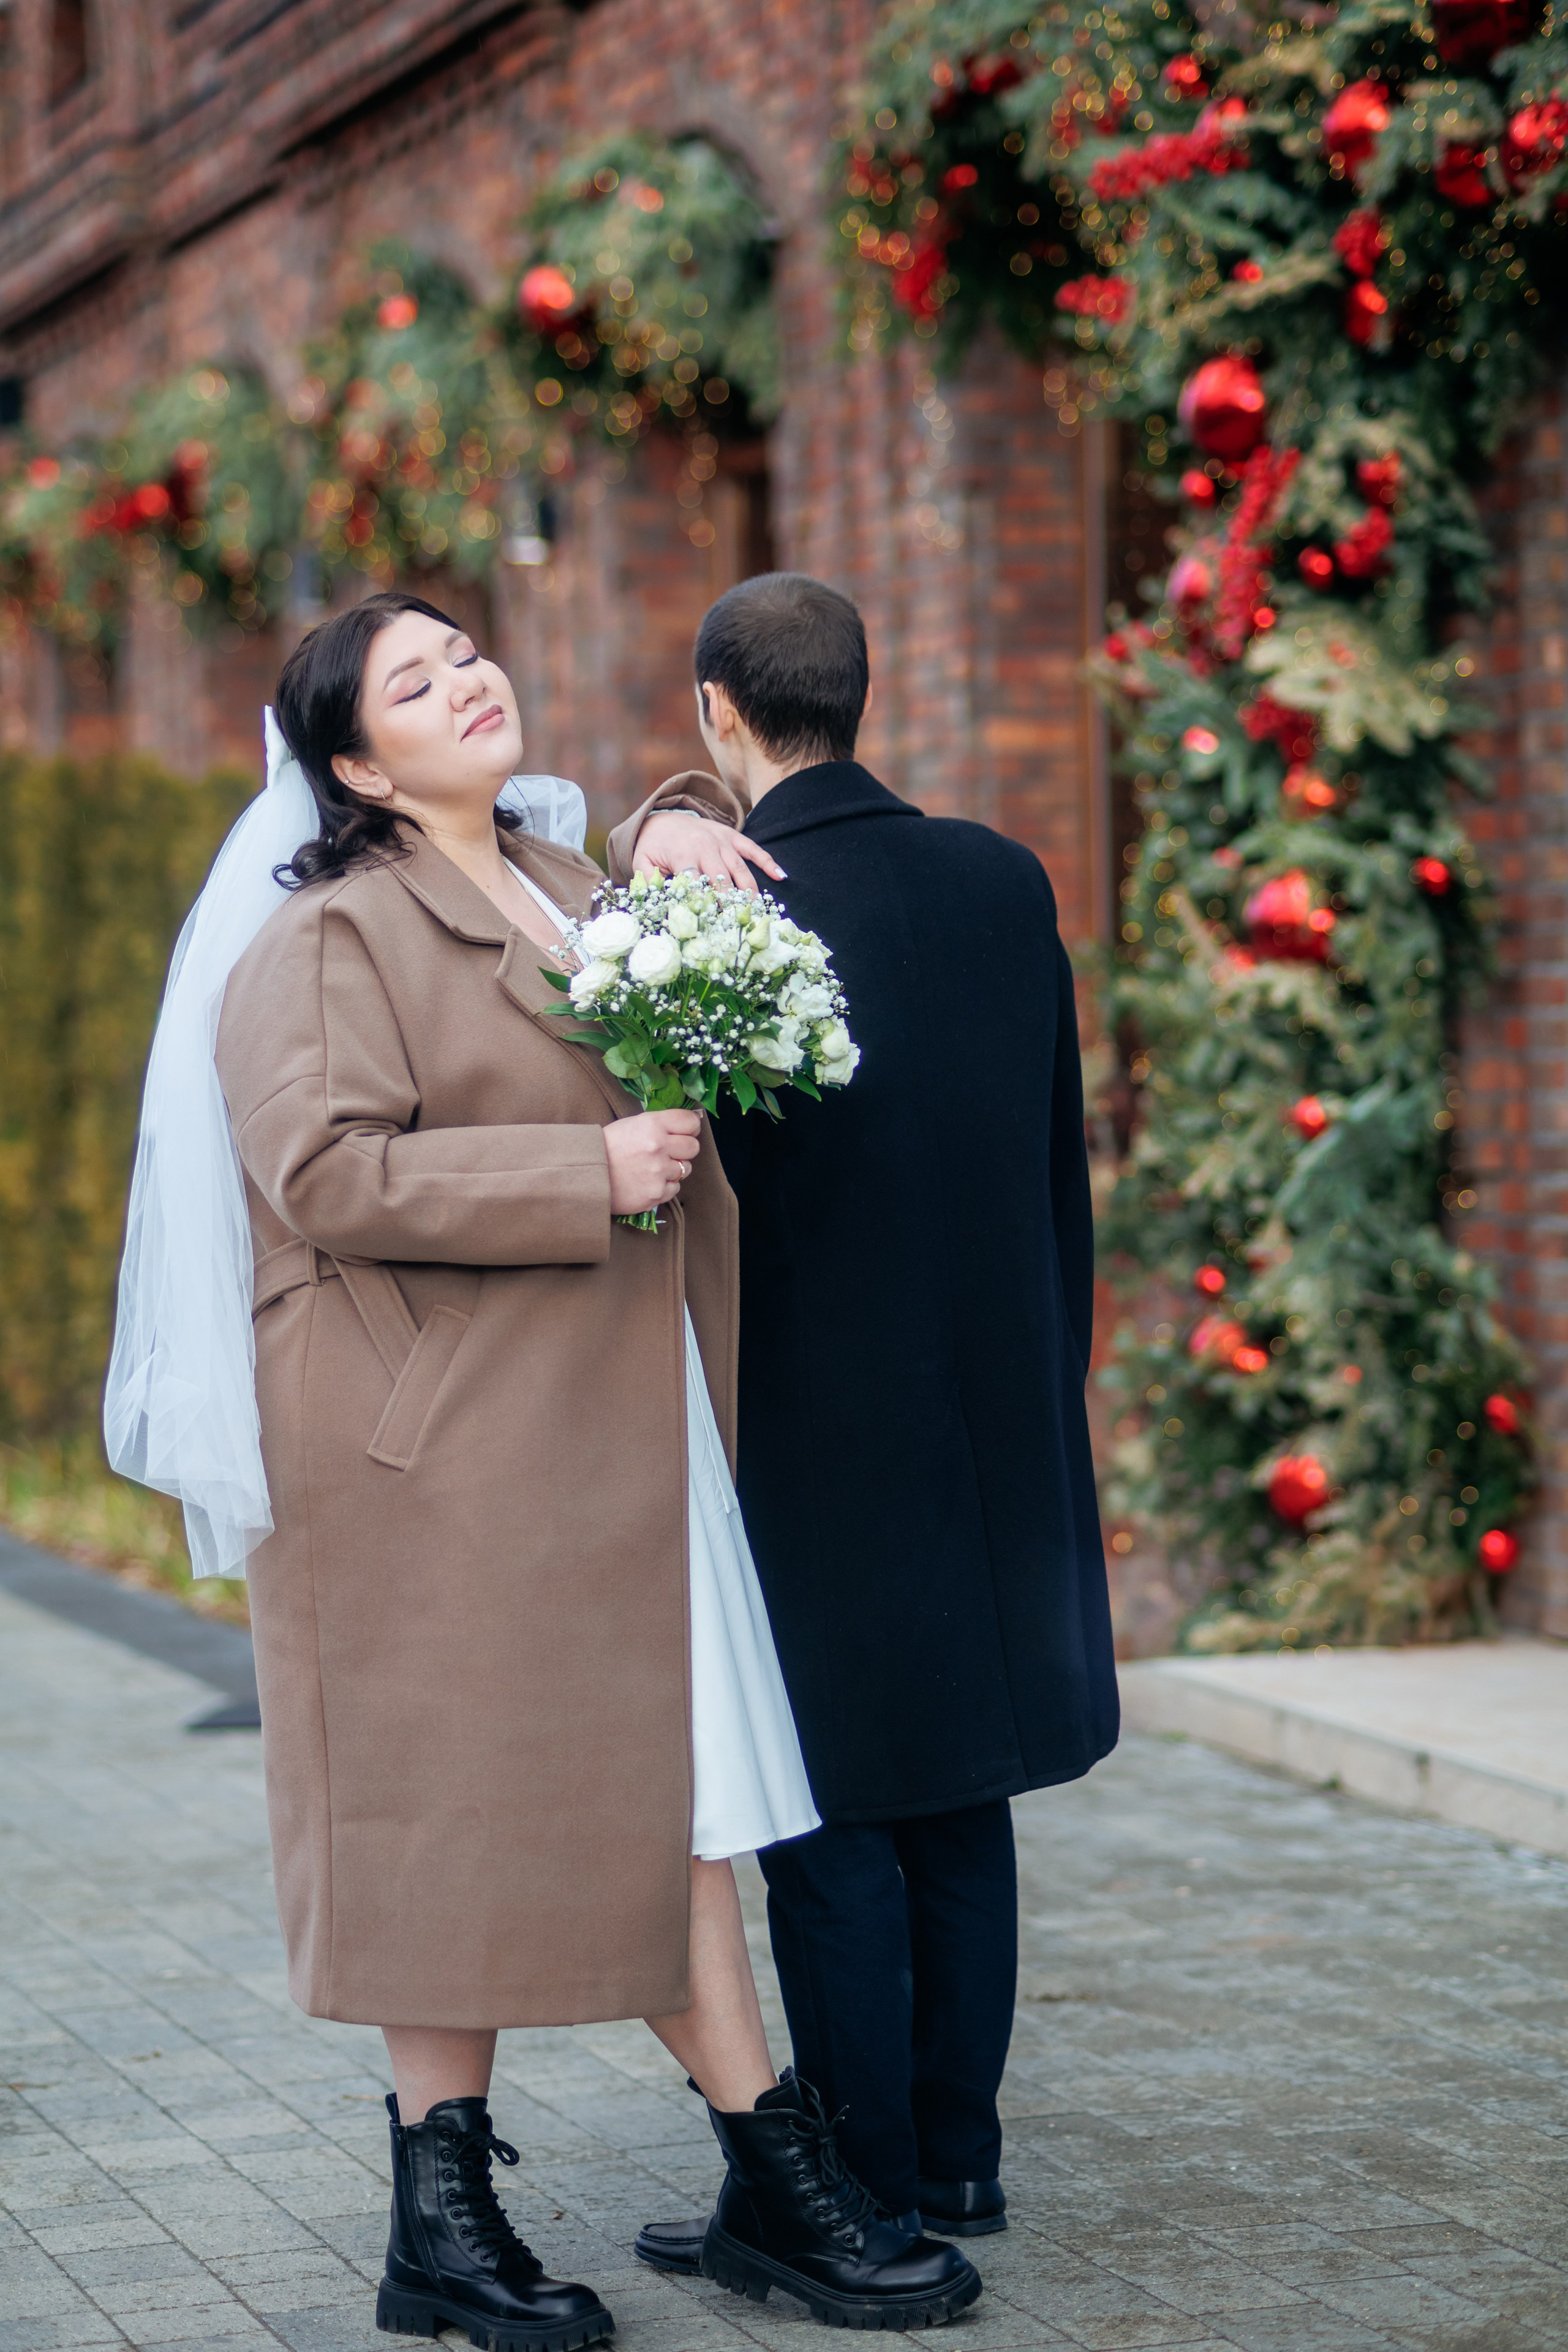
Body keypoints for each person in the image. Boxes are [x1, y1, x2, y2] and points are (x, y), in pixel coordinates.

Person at [104, 589, 981, 2345]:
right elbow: (322, 1177)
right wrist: (580, 1173)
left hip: (622, 1427)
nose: (466, 681)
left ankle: (756, 2171)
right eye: (413, 683)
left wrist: (671, 815)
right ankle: (464, 2217)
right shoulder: (331, 938)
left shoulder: (575, 885)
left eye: (469, 652)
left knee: (692, 1795)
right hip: (433, 1456)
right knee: (445, 1826)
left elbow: (666, 865)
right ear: (352, 760)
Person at [609, 572, 1118, 2265]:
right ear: (865, 696)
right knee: (962, 1795)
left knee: (830, 1818)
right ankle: (959, 2159)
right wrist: (1061, 1367)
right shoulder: (1002, 877)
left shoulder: (727, 915)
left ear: (716, 711)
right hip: (1000, 1412)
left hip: (813, 1425)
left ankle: (866, 2181)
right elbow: (1061, 1156)